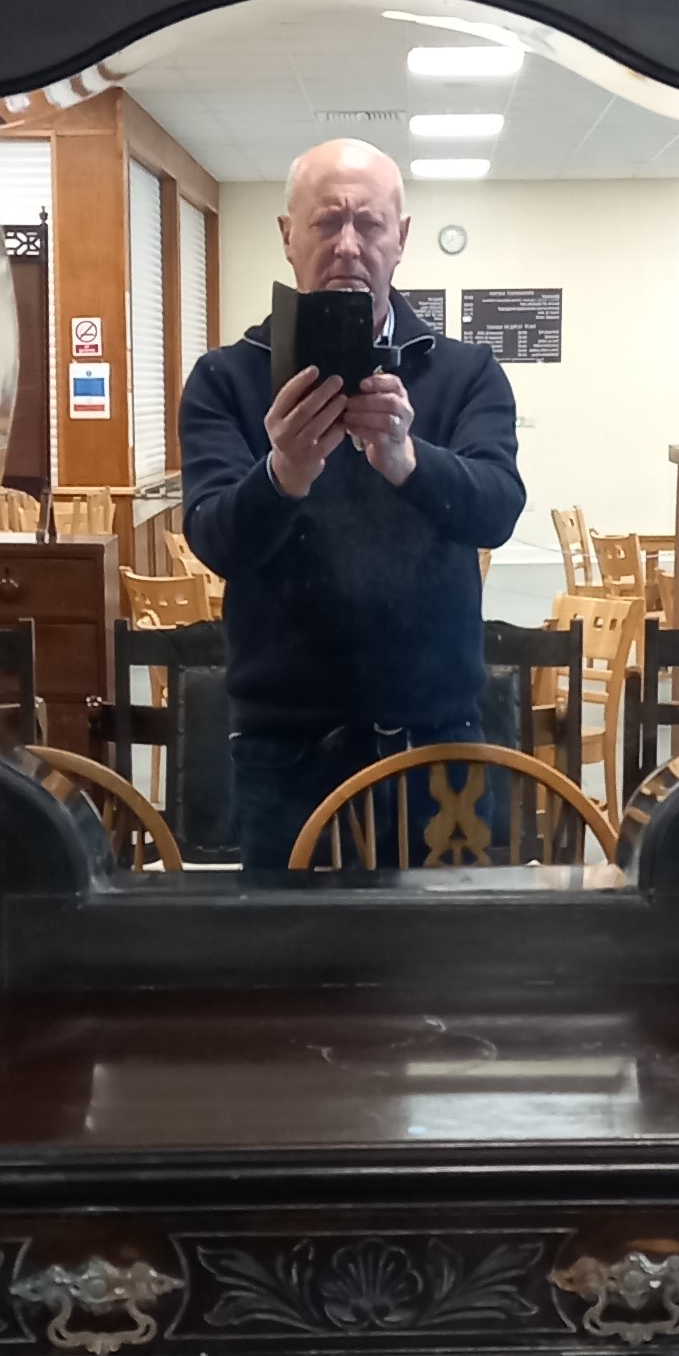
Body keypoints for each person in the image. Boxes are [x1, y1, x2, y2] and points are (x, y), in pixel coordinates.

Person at [177, 139, 526, 877]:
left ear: (401, 238)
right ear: (286, 236)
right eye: (326, 223)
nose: (347, 245)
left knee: (444, 971)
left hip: (440, 747)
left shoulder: (467, 374)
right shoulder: (227, 378)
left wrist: (409, 461)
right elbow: (213, 539)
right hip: (285, 751)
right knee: (289, 975)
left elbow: (497, 509)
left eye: (368, 225)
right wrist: (283, 474)